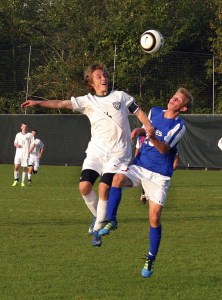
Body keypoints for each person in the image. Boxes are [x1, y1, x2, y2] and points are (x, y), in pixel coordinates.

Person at [21, 63, 153, 246]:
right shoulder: (88, 101)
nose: (104, 78)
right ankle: (98, 216)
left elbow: (138, 112)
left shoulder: (121, 97)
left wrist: (148, 127)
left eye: (105, 75)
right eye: (99, 76)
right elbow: (61, 103)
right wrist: (38, 102)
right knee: (84, 187)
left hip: (118, 153)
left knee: (104, 188)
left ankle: (98, 229)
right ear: (91, 83)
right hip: (96, 151)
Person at [98, 87, 193, 278]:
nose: (173, 100)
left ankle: (151, 257)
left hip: (160, 176)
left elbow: (164, 149)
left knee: (154, 218)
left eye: (178, 100)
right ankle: (112, 220)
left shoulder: (179, 126)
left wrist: (151, 136)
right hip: (140, 165)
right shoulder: (154, 111)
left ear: (183, 108)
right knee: (117, 178)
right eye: (174, 96)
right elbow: (146, 129)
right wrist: (140, 130)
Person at [135, 136, 180, 205]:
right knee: (144, 179)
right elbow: (138, 149)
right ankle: (145, 193)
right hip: (145, 161)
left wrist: (175, 161)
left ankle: (150, 195)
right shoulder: (141, 136)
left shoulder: (165, 135)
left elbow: (175, 149)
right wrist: (136, 159)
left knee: (155, 181)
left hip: (159, 164)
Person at [12, 122, 34, 187]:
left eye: (25, 127)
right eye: (23, 126)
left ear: (26, 128)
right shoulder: (18, 134)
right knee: (16, 167)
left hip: (25, 154)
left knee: (24, 167)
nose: (24, 127)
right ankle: (16, 180)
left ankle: (22, 182)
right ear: (21, 127)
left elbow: (33, 143)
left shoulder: (30, 135)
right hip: (18, 153)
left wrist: (30, 149)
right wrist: (17, 145)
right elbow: (15, 143)